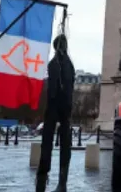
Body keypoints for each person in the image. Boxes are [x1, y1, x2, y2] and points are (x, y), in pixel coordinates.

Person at [36, 34, 75, 192]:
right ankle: (47, 181)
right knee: (54, 146)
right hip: (60, 109)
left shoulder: (59, 64)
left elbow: (57, 89)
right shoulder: (62, 64)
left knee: (56, 146)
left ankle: (56, 183)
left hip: (58, 108)